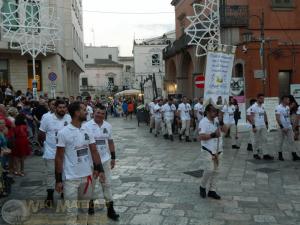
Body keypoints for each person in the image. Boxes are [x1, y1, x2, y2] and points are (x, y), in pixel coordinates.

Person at [55, 101, 105, 225]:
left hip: (86, 177)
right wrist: (58, 180)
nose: (86, 111)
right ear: (77, 113)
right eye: (83, 109)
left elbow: (94, 150)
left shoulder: (87, 130)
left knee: (84, 209)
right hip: (71, 179)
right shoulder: (63, 133)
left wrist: (101, 169)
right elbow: (59, 157)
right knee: (71, 212)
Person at [84, 105, 119, 221]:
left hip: (105, 159)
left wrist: (113, 157)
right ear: (94, 112)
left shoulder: (108, 126)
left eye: (102, 113)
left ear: (105, 114)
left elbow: (110, 141)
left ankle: (110, 209)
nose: (100, 115)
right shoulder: (86, 126)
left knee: (107, 184)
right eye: (98, 113)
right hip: (91, 161)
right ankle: (90, 204)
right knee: (91, 185)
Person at [38, 99, 71, 207]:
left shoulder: (69, 118)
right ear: (55, 108)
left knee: (65, 173)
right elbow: (41, 134)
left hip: (65, 152)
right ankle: (50, 195)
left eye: (64, 107)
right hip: (51, 151)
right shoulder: (47, 118)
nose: (62, 109)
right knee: (51, 173)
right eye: (60, 107)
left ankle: (63, 192)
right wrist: (46, 145)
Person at [199, 104, 227, 200]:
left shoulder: (217, 120)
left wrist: (221, 122)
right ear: (207, 112)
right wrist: (213, 135)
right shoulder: (203, 122)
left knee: (217, 171)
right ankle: (202, 186)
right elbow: (201, 137)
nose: (215, 113)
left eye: (216, 111)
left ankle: (212, 190)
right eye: (213, 111)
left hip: (218, 150)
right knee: (209, 169)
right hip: (208, 150)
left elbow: (225, 130)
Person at [249, 93, 274, 160]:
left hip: (263, 125)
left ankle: (265, 154)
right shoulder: (253, 107)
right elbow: (251, 117)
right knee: (256, 140)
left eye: (263, 98)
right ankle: (255, 154)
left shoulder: (263, 106)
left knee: (265, 139)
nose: (262, 100)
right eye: (261, 98)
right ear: (257, 98)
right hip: (256, 125)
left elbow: (265, 114)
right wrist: (253, 126)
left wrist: (267, 123)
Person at [275, 95, 300, 161]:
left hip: (289, 127)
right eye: (288, 100)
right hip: (282, 128)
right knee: (280, 141)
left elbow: (288, 116)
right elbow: (277, 118)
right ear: (284, 100)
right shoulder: (278, 107)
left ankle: (294, 155)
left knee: (292, 141)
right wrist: (282, 127)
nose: (289, 101)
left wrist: (291, 124)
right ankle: (280, 155)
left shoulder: (287, 107)